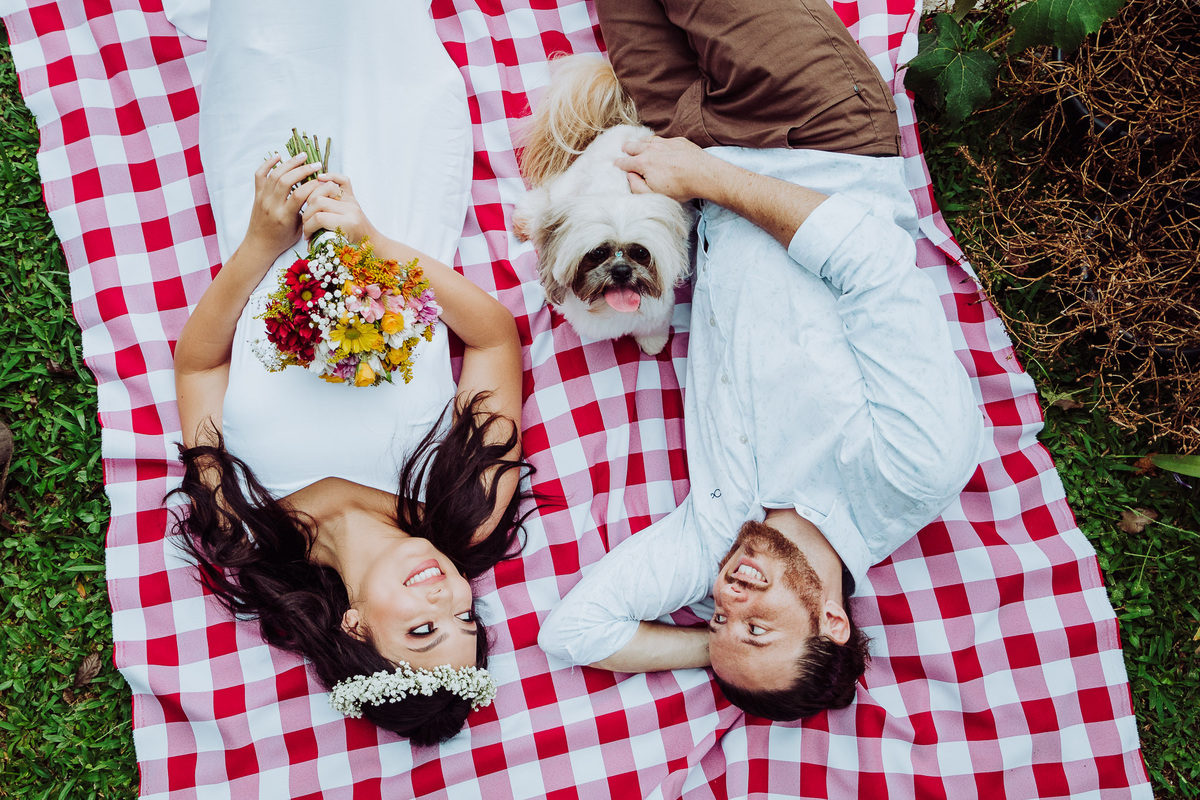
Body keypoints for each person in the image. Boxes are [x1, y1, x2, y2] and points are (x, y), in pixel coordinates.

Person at [537, 0, 985, 720]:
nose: (731, 598)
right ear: (833, 621)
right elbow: (868, 261)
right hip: (813, 131)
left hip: (686, 159)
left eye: (718, 621)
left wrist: (715, 652)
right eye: (757, 625)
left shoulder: (715, 535)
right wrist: (705, 177)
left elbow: (574, 632)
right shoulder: (913, 472)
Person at [167, 0, 528, 745]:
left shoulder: (243, 525)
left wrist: (264, 241)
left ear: (356, 628)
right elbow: (493, 339)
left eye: (424, 631)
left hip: (265, 199)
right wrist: (375, 237)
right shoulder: (469, 504)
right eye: (465, 617)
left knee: (259, 30)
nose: (449, 596)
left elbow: (200, 363)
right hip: (392, 191)